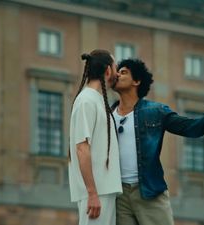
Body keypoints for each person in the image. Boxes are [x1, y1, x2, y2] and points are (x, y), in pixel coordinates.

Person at [111, 59, 204, 225]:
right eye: (117, 71)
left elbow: (192, 127)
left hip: (149, 192)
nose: (117, 74)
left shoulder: (155, 111)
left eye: (123, 72)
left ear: (136, 81)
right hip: (119, 195)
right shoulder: (108, 114)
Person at [68, 49, 122, 225]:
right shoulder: (87, 101)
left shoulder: (97, 100)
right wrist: (92, 193)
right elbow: (81, 148)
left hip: (103, 191)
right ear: (107, 70)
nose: (118, 73)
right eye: (116, 68)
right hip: (95, 193)